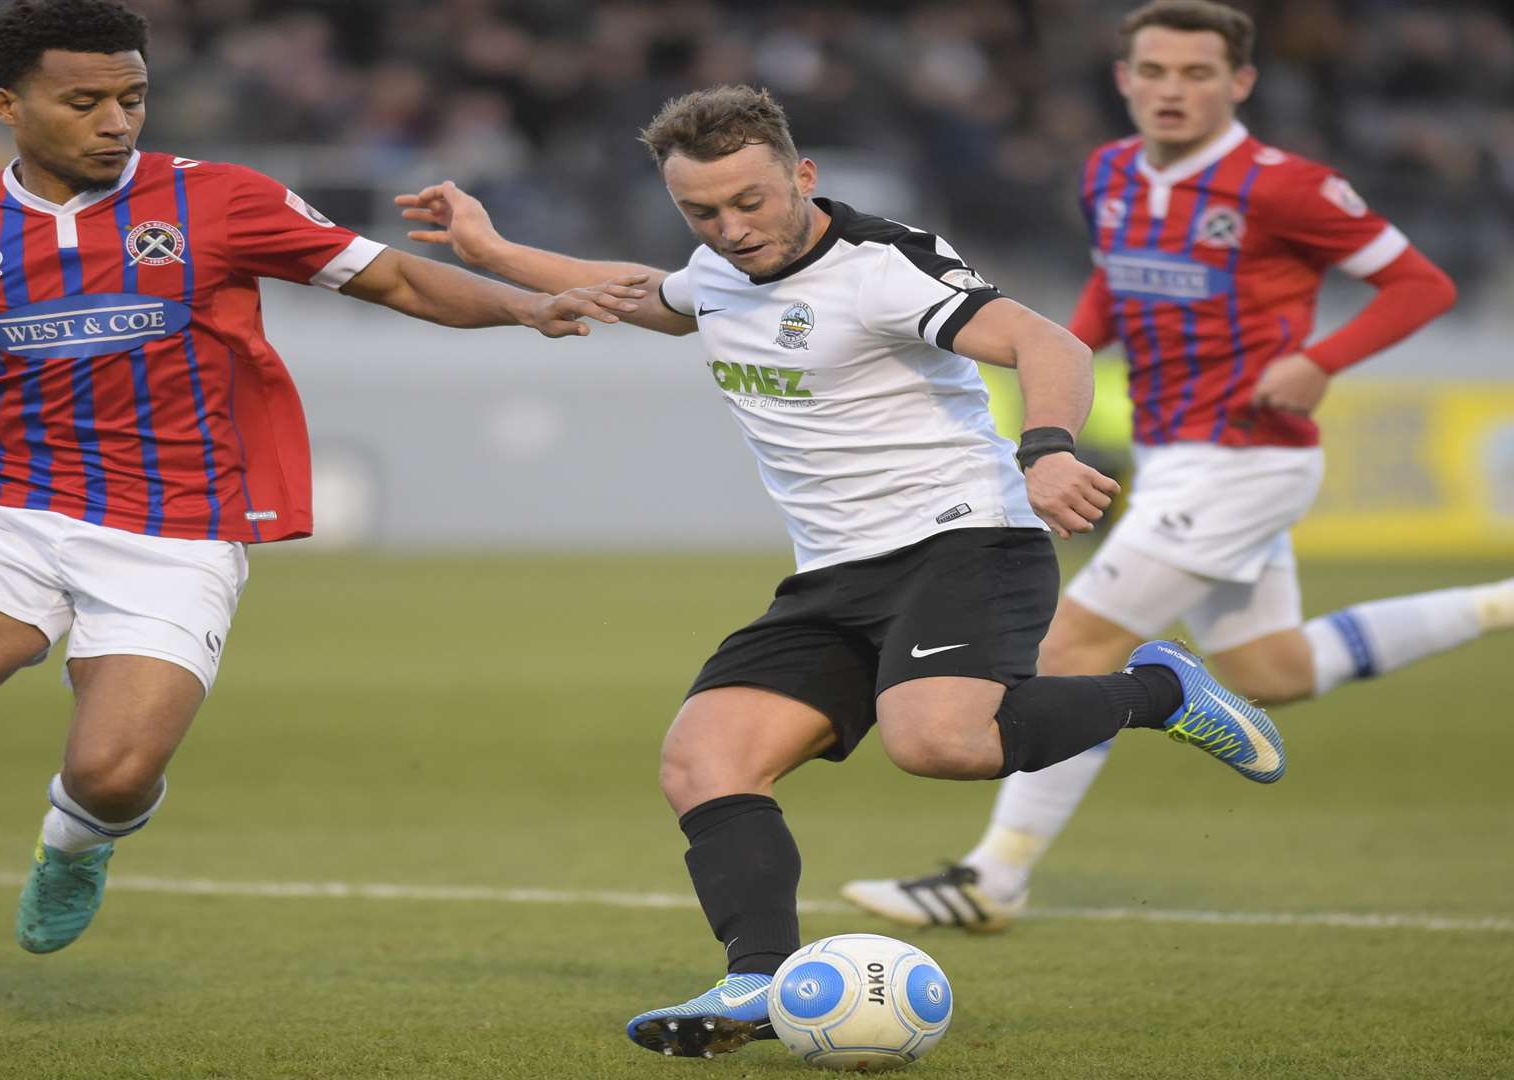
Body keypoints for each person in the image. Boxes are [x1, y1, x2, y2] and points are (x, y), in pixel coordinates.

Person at [0, 0, 636, 1046]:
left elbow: (388, 275)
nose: (114, 120)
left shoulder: (215, 201)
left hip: (173, 531)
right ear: (8, 105)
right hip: (8, 514)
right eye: (84, 101)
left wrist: (519, 304)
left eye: (131, 97)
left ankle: (78, 839)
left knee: (113, 772)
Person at [395, 83, 1286, 1060]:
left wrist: (1048, 449)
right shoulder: (715, 269)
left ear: (801, 176)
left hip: (965, 539)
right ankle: (758, 981)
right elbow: (647, 294)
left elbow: (1046, 339)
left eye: (749, 203)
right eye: (702, 212)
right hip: (832, 576)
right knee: (704, 761)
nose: (730, 231)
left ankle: (1157, 689)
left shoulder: (882, 265)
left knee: (938, 742)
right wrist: (495, 255)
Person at [841, 0, 1511, 935]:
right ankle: (1503, 603)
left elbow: (1421, 284)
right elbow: (1111, 292)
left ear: (1239, 83)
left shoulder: (1287, 187)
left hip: (1244, 458)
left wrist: (1321, 360)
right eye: (1153, 71)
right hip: (1176, 456)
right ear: (1123, 80)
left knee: (1072, 651)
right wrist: (1051, 363)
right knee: (1271, 669)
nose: (1172, 90)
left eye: (1197, 73)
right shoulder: (1110, 173)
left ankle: (992, 878)